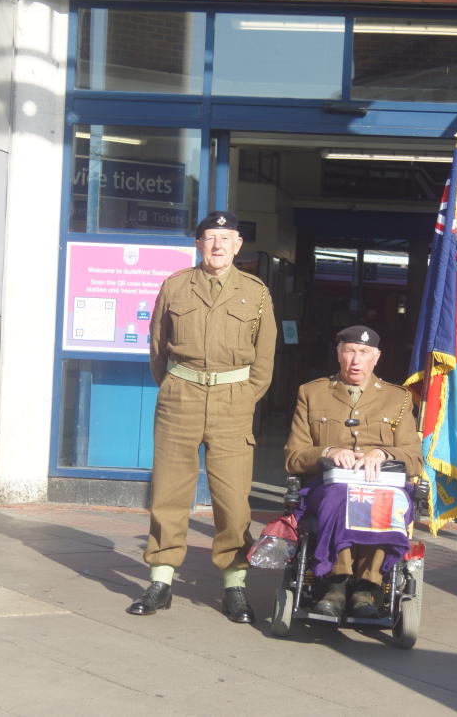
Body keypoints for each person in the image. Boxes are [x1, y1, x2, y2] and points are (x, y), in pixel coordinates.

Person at [128, 211, 277, 622]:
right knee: (170, 494)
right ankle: (161, 579)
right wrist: (177, 385)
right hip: (181, 396)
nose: (217, 246)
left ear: (238, 246)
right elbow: (158, 348)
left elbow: (265, 356)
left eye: (225, 239)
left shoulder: (256, 292)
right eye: (210, 238)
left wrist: (245, 396)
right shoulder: (175, 286)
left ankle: (234, 586)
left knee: (232, 499)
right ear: (198, 244)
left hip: (233, 400)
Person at [284, 324, 422, 618]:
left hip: (382, 483)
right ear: (339, 355)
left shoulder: (399, 398)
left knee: (381, 500)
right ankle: (337, 583)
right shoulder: (312, 393)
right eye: (349, 352)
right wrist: (328, 452)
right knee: (340, 496)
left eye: (363, 353)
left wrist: (383, 453)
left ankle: (367, 587)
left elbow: (413, 459)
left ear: (376, 357)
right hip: (328, 484)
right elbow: (294, 456)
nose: (355, 361)